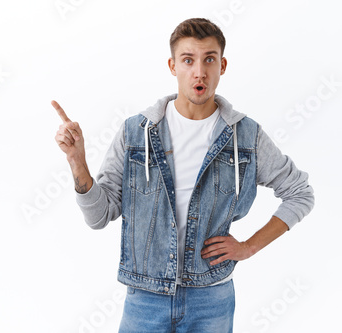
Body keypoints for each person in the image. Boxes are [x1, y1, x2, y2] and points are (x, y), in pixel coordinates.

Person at [52, 18, 314, 332]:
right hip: (145, 298)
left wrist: (248, 246)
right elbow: (99, 216)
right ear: (173, 65)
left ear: (223, 65)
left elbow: (300, 193)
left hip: (211, 298)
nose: (199, 71)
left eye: (209, 59)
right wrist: (77, 162)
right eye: (188, 60)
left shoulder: (246, 136)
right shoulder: (136, 132)